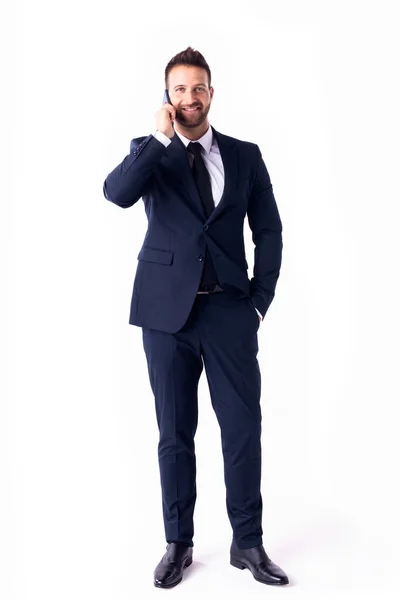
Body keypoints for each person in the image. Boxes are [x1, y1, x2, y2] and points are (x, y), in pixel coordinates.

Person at [102, 46, 289, 589]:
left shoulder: (246, 156)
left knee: (242, 429)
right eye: (179, 89)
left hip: (231, 311)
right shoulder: (150, 152)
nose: (189, 98)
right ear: (168, 97)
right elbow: (115, 194)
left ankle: (247, 543)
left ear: (212, 93)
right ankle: (178, 543)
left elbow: (270, 231)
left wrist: (259, 300)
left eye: (198, 88)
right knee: (174, 432)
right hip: (165, 317)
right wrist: (159, 137)